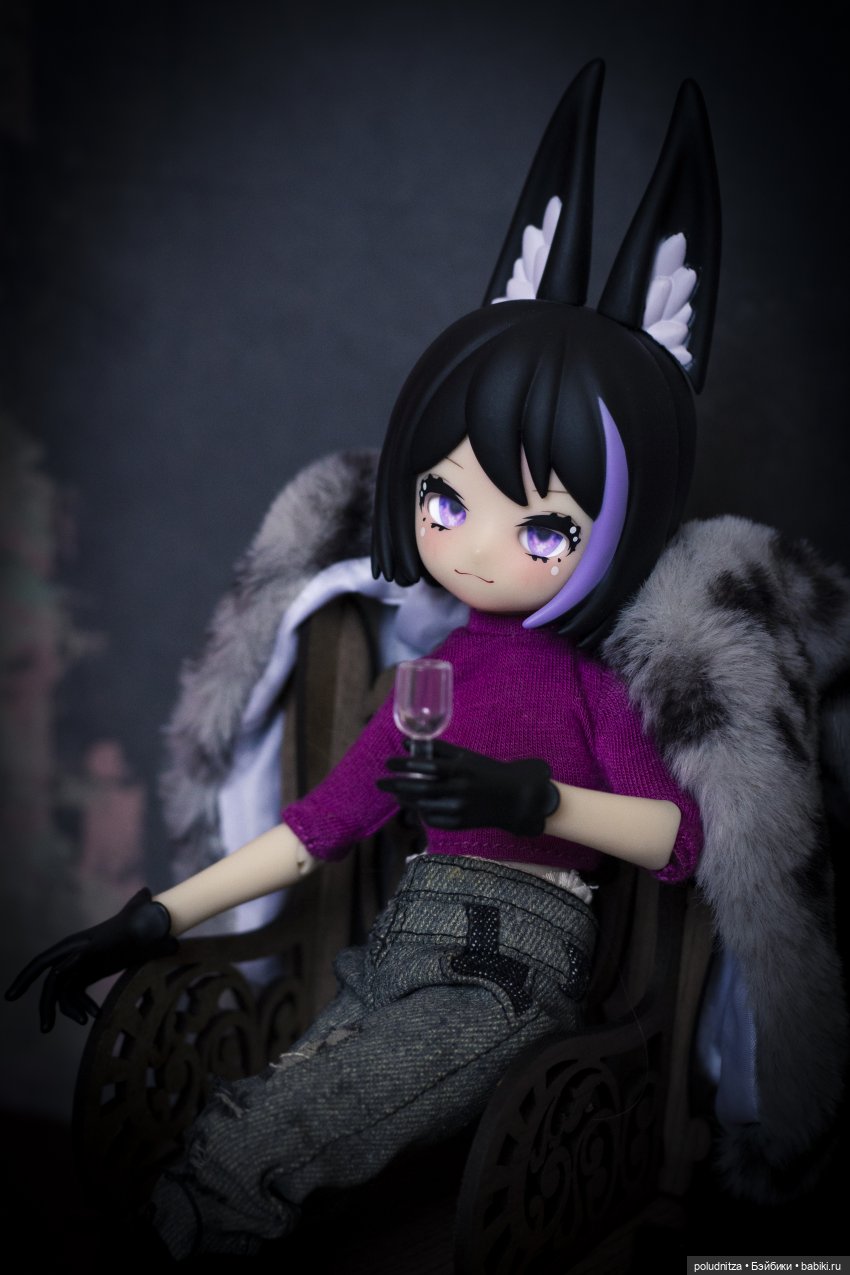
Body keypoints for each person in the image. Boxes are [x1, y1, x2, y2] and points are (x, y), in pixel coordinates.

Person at [6, 62, 721, 1258]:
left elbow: (680, 839)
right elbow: (315, 830)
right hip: (396, 943)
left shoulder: (588, 686)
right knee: (275, 1103)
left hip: (508, 967)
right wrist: (146, 919)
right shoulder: (422, 685)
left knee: (263, 1140)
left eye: (543, 528)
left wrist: (534, 801)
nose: (476, 548)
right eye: (447, 500)